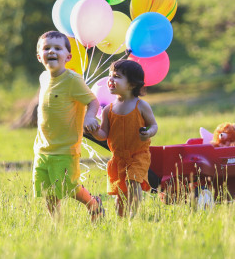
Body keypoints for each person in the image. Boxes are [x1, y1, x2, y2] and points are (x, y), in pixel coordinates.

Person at [33, 30, 105, 222]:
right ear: (39, 56)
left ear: (68, 56)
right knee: (47, 190)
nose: (52, 52)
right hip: (43, 147)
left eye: (58, 48)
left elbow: (93, 101)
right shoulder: (43, 78)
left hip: (66, 147)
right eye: (46, 48)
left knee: (69, 187)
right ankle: (56, 224)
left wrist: (90, 117)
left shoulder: (73, 80)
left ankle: (93, 204)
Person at [87, 59, 158, 218]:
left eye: (117, 76)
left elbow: (154, 126)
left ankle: (133, 214)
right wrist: (93, 131)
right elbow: (103, 135)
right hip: (118, 157)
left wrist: (148, 132)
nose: (110, 79)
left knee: (134, 183)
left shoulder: (141, 106)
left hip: (138, 155)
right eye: (110, 75)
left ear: (132, 84)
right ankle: (122, 219)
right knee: (120, 192)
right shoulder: (108, 110)